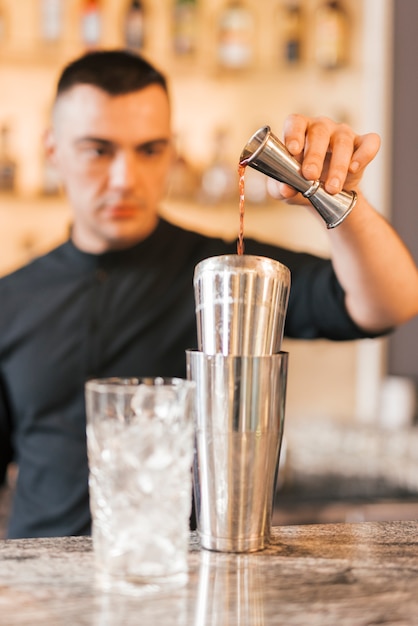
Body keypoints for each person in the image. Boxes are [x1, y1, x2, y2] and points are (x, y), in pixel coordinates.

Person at [0, 50, 417, 540]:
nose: (124, 178)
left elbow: (390, 303)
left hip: (186, 580)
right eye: (98, 150)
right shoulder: (11, 297)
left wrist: (339, 198)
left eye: (149, 150)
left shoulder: (226, 274)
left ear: (172, 151)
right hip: (40, 586)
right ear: (53, 150)